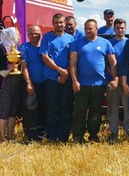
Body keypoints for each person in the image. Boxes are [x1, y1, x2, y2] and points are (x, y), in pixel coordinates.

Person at [70, 19, 116, 143]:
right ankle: (78, 136)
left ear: (96, 29)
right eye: (86, 28)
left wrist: (116, 78)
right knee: (80, 111)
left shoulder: (105, 43)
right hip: (82, 84)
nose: (88, 30)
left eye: (90, 28)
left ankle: (93, 136)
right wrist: (74, 81)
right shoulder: (77, 43)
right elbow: (73, 63)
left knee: (96, 111)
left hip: (99, 84)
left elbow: (113, 62)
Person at [41, 13, 75, 142]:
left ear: (65, 23)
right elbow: (45, 57)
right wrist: (60, 71)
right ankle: (51, 137)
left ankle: (63, 137)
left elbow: (73, 58)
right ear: (53, 23)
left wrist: (65, 74)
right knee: (51, 109)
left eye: (61, 22)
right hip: (51, 79)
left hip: (67, 80)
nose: (59, 25)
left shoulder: (71, 39)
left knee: (66, 109)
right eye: (56, 22)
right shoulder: (47, 37)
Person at [0, 27, 23, 142]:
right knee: (4, 111)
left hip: (16, 83)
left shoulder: (16, 49)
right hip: (4, 84)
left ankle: (10, 137)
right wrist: (8, 67)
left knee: (12, 112)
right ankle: (2, 138)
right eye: (17, 34)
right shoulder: (0, 48)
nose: (19, 37)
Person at [107, 18, 129, 141]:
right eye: (117, 28)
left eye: (122, 28)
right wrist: (114, 77)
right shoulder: (109, 43)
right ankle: (113, 133)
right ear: (114, 29)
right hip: (112, 80)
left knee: (128, 108)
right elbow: (106, 63)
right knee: (112, 107)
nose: (120, 30)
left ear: (125, 28)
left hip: (127, 81)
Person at [21, 24, 46, 141]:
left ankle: (42, 134)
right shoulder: (24, 47)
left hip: (45, 84)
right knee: (30, 110)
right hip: (31, 84)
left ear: (41, 34)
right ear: (28, 35)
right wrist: (28, 83)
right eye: (31, 33)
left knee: (43, 109)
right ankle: (31, 136)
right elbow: (24, 66)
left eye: (36, 33)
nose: (34, 35)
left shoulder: (45, 47)